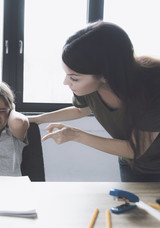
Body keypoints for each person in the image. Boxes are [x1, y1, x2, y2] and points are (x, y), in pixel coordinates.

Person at [28, 21, 160, 182]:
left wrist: (76, 135)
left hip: (152, 162)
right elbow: (81, 110)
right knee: (134, 206)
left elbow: (135, 149)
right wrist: (38, 119)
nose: (66, 82)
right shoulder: (88, 87)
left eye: (74, 78)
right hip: (132, 163)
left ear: (106, 75)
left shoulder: (153, 87)